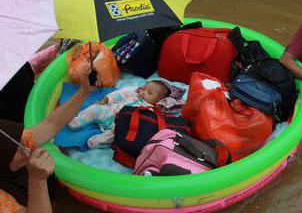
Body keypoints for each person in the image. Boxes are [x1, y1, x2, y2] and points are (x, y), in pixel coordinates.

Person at [0, 69, 97, 213]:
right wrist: (37, 180)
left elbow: (51, 124)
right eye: (19, 151)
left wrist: (83, 91)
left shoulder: (11, 141)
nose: (26, 148)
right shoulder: (3, 201)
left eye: (22, 141)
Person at [68, 80, 186, 148]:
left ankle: (97, 143)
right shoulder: (134, 93)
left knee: (116, 135)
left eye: (149, 93)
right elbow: (119, 94)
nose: (144, 92)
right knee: (95, 109)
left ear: (159, 99)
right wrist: (105, 100)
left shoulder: (151, 110)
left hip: (120, 124)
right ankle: (76, 122)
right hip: (110, 112)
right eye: (144, 89)